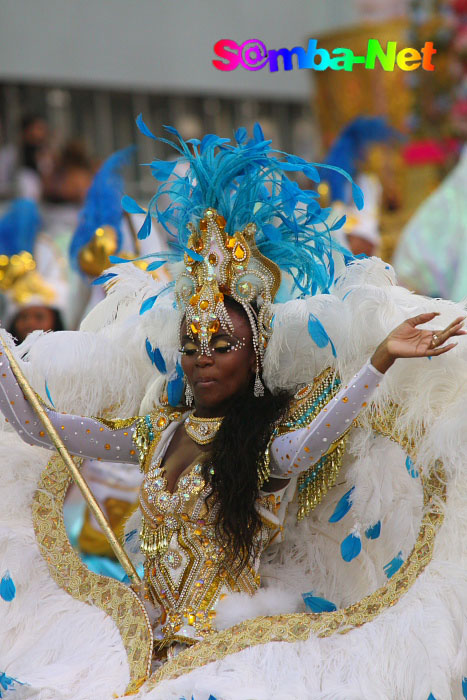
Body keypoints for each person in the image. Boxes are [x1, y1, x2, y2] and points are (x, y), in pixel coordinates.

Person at [1, 122, 467, 699]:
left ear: (255, 357)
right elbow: (39, 427)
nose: (204, 360)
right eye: (192, 347)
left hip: (231, 654)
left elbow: (314, 441)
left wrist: (378, 361)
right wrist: (3, 357)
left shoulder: (264, 441)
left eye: (222, 347)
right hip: (145, 651)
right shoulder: (158, 432)